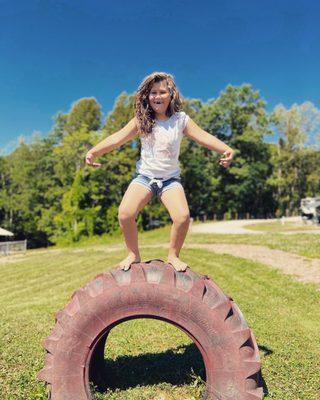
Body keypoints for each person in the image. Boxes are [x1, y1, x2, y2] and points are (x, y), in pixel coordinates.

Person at [86, 72, 234, 272]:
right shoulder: (142, 121)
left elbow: (202, 137)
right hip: (145, 178)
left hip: (170, 180)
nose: (157, 96)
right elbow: (117, 138)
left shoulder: (181, 120)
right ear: (147, 96)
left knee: (182, 217)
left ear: (171, 94)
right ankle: (133, 254)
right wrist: (94, 151)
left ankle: (173, 255)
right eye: (153, 93)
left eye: (162, 92)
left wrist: (225, 148)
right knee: (125, 213)